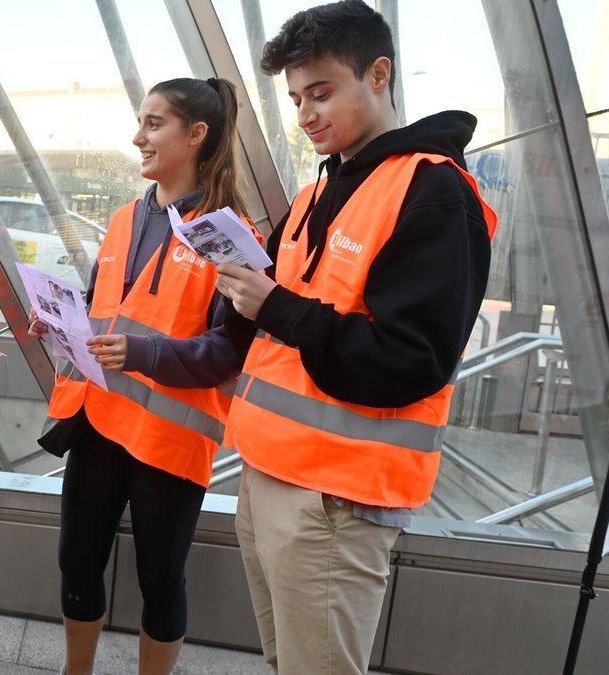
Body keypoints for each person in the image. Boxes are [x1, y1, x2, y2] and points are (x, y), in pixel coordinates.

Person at [212, 2, 498, 672]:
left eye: (321, 92)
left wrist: (276, 306)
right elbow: (275, 316)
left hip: (335, 497)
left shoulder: (432, 192)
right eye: (296, 98)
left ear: (378, 74)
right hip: (267, 472)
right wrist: (240, 289)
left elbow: (411, 359)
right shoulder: (319, 191)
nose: (306, 114)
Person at [33, 77, 255, 675]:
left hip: (169, 440)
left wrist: (141, 354)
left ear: (196, 135)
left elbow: (227, 353)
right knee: (77, 563)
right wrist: (58, 322)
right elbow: (102, 304)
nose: (139, 137)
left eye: (153, 124)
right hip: (99, 421)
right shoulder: (125, 219)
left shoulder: (227, 235)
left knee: (160, 580)